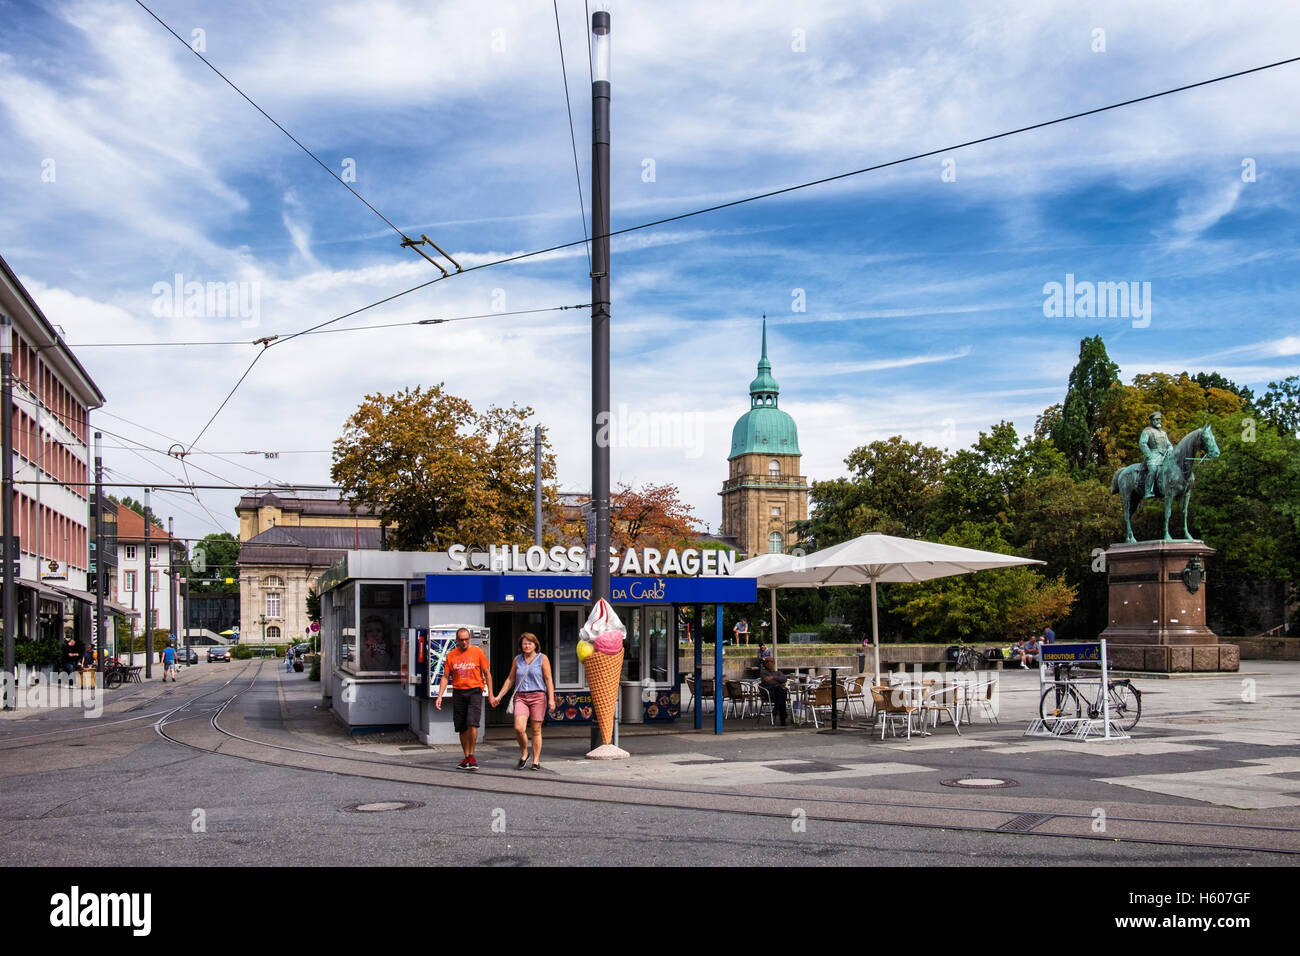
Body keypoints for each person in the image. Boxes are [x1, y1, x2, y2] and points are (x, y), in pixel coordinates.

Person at [490, 632, 555, 771]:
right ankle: (525, 752)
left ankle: (536, 760)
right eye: (524, 643)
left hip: (538, 696)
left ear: (535, 644)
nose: (527, 645)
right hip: (521, 697)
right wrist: (499, 696)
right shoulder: (517, 659)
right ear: (521, 645)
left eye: (530, 643)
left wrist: (551, 699)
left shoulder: (542, 658)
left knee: (536, 730)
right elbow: (510, 679)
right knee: (519, 728)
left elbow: (549, 679)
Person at [435, 628, 493, 771]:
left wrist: (491, 694)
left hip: (475, 691)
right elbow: (445, 676)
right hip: (459, 692)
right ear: (457, 640)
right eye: (461, 640)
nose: (464, 642)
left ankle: (471, 755)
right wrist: (440, 696)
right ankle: (467, 756)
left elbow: (487, 673)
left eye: (466, 639)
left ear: (470, 639)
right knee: (461, 727)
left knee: (472, 723)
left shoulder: (478, 652)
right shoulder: (451, 655)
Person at [1140, 411, 1173, 498]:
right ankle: (1148, 491)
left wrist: (1170, 449)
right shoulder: (1147, 431)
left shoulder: (1163, 433)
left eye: (1159, 419)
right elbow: (1142, 443)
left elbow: (1169, 444)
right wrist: (1149, 455)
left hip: (1165, 456)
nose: (1158, 421)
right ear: (1151, 421)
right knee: (1153, 470)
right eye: (1156, 420)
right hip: (1153, 455)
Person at [758, 657, 789, 726]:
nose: (769, 663)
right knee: (782, 692)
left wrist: (773, 677)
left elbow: (784, 679)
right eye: (767, 662)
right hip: (769, 693)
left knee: (781, 693)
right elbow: (769, 682)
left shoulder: (778, 672)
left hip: (777, 694)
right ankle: (782, 719)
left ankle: (776, 708)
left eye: (771, 662)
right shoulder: (763, 672)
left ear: (774, 663)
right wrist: (779, 681)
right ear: (765, 664)